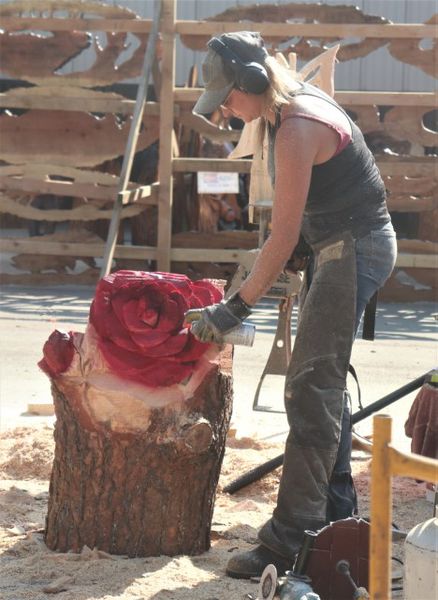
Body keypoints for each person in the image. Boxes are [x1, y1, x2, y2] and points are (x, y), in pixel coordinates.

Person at [185, 31, 397, 579]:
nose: (228, 111)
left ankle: (290, 543)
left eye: (229, 98)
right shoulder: (287, 111)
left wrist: (233, 309)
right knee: (321, 387)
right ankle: (334, 517)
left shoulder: (298, 127)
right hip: (340, 242)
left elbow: (278, 242)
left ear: (254, 82)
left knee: (308, 390)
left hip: (352, 249)